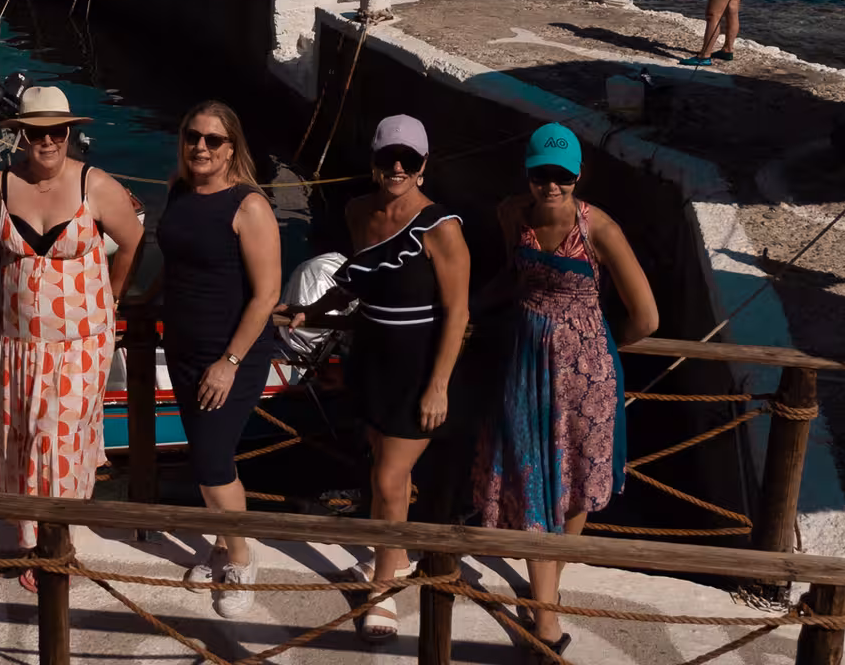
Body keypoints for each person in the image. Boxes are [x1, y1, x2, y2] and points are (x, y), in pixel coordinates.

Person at [474, 123, 658, 659]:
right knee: (533, 475)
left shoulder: (601, 229)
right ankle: (547, 616)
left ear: (579, 175)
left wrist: (596, 346)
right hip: (525, 365)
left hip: (585, 374)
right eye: (541, 175)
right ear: (527, 174)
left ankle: (546, 589)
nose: (551, 185)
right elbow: (514, 275)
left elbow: (646, 317)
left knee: (577, 475)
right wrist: (467, 306)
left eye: (562, 176)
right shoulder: (512, 214)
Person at [302, 116, 469, 642]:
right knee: (379, 468)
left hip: (418, 367)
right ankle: (390, 554)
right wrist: (313, 311)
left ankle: (382, 590)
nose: (398, 167)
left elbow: (458, 312)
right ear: (374, 161)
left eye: (409, 159)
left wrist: (439, 385)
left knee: (391, 479)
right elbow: (359, 277)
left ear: (424, 165)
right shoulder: (358, 211)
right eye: (388, 157)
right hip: (371, 357)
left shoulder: (441, 227)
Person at [0, 87, 144, 592]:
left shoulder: (96, 184)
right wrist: (9, 291)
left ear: (70, 133)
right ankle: (32, 539)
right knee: (25, 436)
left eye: (57, 131)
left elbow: (132, 241)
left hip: (80, 343)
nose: (47, 141)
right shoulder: (2, 184)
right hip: (17, 342)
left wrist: (113, 297)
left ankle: (56, 545)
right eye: (36, 132)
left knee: (58, 438)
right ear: (20, 135)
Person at [156, 100, 282, 619]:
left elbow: (267, 293)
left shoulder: (248, 205)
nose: (200, 147)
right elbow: (177, 262)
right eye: (193, 136)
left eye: (213, 139)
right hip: (183, 349)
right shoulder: (180, 191)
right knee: (210, 458)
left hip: (231, 355)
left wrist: (229, 361)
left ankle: (243, 558)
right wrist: (143, 300)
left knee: (211, 465)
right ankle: (222, 543)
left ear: (232, 148)